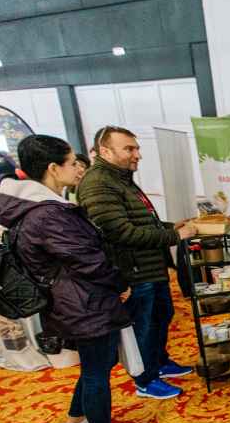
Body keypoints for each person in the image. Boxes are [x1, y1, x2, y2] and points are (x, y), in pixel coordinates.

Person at [0, 135, 149, 423]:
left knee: (94, 365)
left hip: (71, 301)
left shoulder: (34, 209)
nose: (79, 168)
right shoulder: (49, 214)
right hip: (84, 302)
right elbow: (89, 261)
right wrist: (119, 284)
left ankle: (75, 422)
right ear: (53, 168)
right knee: (96, 370)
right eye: (71, 163)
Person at [77, 126, 197, 400]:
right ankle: (145, 379)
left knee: (161, 317)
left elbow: (139, 222)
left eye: (137, 148)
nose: (137, 155)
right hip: (133, 272)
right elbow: (120, 232)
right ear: (105, 151)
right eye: (129, 149)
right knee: (143, 327)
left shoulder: (121, 178)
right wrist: (175, 236)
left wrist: (170, 226)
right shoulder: (98, 183)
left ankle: (159, 362)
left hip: (150, 267)